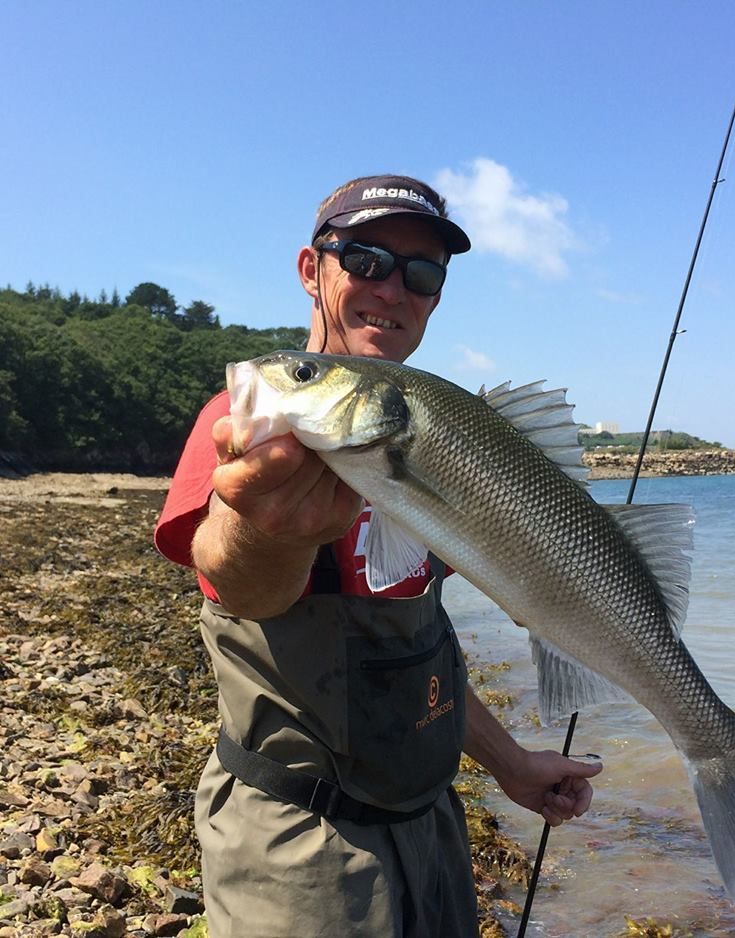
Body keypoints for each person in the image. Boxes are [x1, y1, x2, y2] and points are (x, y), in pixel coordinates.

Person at [154, 174, 602, 938]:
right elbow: (238, 585)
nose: (393, 290)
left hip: (432, 826)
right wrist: (271, 530)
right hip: (297, 845)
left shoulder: (442, 443)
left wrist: (510, 764)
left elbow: (423, 656)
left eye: (422, 274)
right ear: (311, 269)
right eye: (364, 260)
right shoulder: (244, 422)